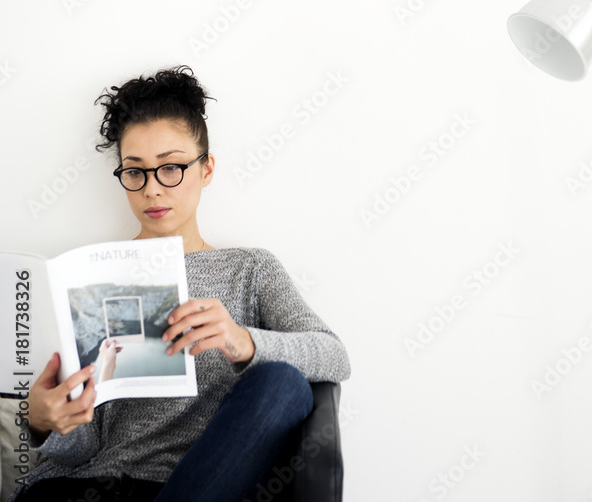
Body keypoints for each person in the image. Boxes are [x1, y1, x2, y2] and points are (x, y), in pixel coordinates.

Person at [13, 66, 350, 502]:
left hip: (192, 488)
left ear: (206, 169)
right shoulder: (91, 275)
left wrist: (242, 341)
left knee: (283, 383)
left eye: (171, 167)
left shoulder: (249, 270)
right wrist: (44, 422)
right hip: (81, 488)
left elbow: (334, 356)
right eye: (135, 172)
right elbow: (83, 449)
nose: (153, 189)